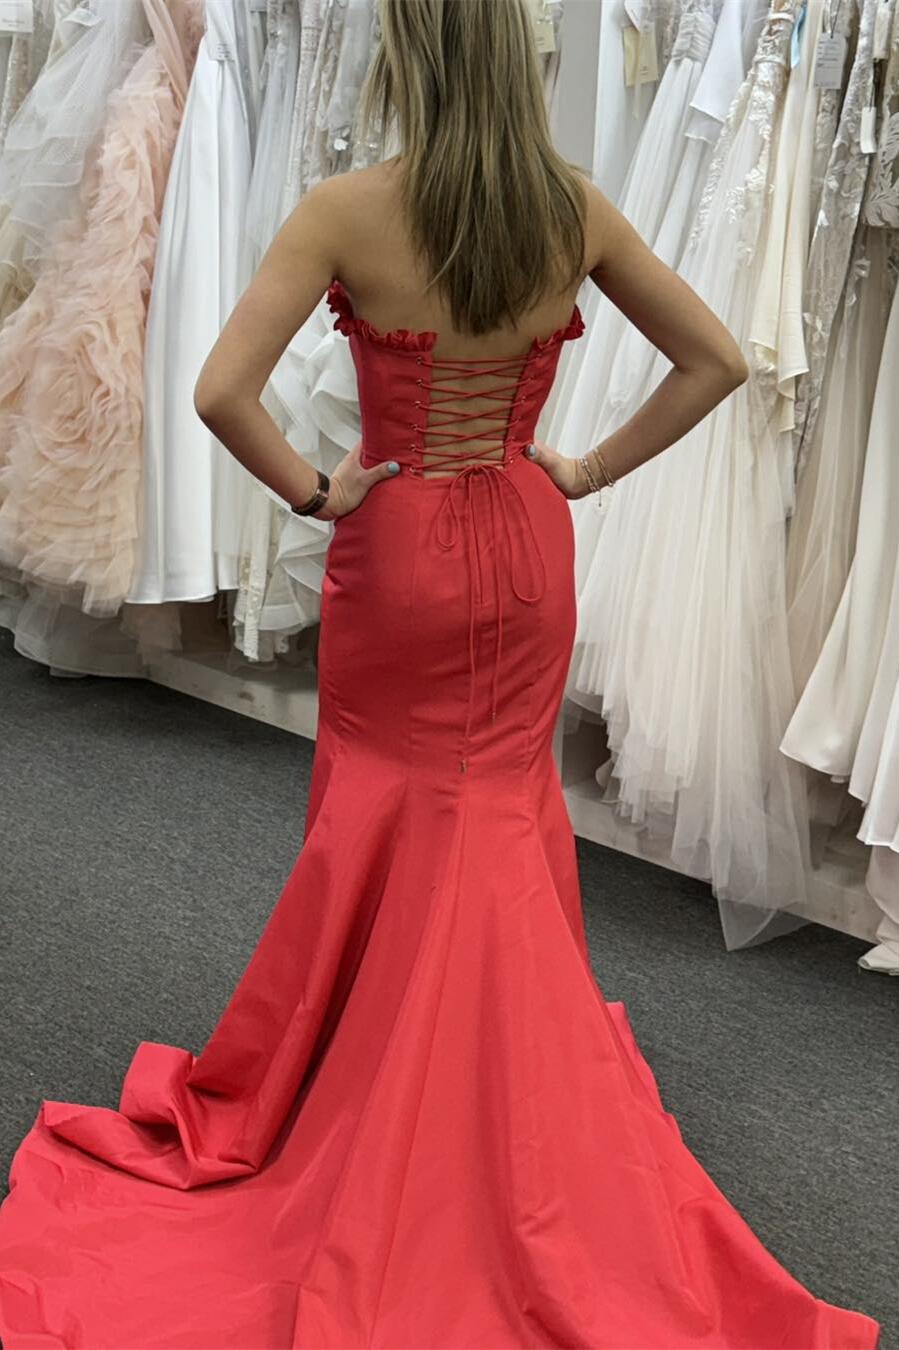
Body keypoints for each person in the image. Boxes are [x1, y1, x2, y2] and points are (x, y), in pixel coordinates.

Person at [0, 1, 881, 1346]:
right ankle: (499, 1079)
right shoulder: (569, 207)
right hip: (526, 535)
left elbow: (222, 391)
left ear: (408, 53)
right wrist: (584, 468)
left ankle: (381, 1066)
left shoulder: (346, 211)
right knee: (502, 809)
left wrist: (317, 491)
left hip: (399, 538)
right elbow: (714, 358)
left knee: (387, 801)